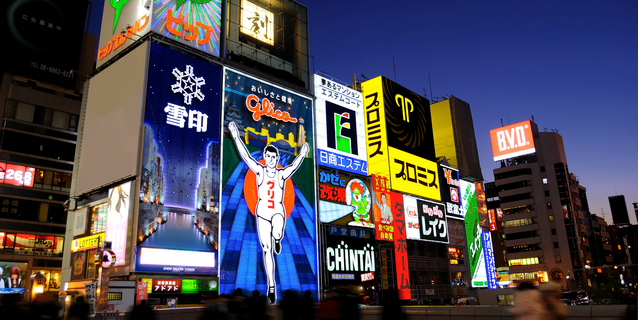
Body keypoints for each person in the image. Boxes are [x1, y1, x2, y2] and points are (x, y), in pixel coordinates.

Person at [229, 121, 309, 304]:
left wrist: (303, 154)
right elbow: (246, 156)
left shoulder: (281, 174)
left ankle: (278, 238)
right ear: (265, 157)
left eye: (274, 157)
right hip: (263, 212)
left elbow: (294, 167)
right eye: (269, 156)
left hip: (278, 211)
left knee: (278, 231)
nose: (271, 160)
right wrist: (235, 135)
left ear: (277, 158)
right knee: (267, 249)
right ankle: (271, 284)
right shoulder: (260, 171)